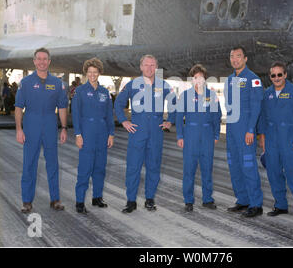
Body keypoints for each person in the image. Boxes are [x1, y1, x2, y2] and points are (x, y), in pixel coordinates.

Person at [114, 54, 175, 213]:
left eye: (152, 65)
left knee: (154, 167)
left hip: (156, 132)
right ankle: (131, 201)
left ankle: (149, 199)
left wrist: (170, 120)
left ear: (156, 67)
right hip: (137, 131)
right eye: (146, 65)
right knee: (133, 167)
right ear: (141, 67)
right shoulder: (132, 85)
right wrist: (124, 121)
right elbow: (118, 103)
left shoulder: (164, 85)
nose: (149, 68)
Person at [15, 48, 68, 213]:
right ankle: (26, 201)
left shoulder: (58, 83)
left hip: (50, 126)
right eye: (39, 59)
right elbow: (18, 107)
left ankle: (55, 199)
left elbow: (62, 107)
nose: (42, 62)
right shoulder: (26, 82)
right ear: (34, 61)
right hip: (31, 125)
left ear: (49, 61)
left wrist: (64, 128)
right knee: (29, 163)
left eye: (45, 59)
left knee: (52, 163)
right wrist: (19, 129)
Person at [258, 62, 293, 222]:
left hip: (289, 139)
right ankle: (280, 204)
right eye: (273, 75)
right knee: (274, 174)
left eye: (279, 74)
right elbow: (263, 118)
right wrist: (262, 138)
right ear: (270, 77)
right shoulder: (267, 94)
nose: (276, 78)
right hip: (272, 140)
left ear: (285, 75)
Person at [224, 46, 264, 217]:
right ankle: (242, 199)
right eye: (232, 56)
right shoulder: (229, 80)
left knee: (248, 165)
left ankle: (256, 204)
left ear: (245, 59)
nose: (235, 60)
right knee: (235, 166)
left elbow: (256, 107)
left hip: (245, 129)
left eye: (238, 56)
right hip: (232, 129)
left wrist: (250, 130)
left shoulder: (253, 79)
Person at [176, 64, 222, 212]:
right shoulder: (185, 96)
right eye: (195, 78)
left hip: (207, 136)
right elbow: (178, 117)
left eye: (201, 77)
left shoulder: (212, 96)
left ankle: (207, 199)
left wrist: (216, 134)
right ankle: (188, 200)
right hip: (190, 135)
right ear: (192, 80)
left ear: (205, 79)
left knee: (207, 169)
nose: (198, 80)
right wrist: (180, 136)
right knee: (189, 170)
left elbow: (217, 117)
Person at [72, 58, 115, 214]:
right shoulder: (80, 91)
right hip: (87, 133)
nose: (92, 74)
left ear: (99, 73)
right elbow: (76, 115)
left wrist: (111, 134)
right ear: (86, 73)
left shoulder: (105, 92)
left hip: (102, 133)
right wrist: (78, 134)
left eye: (95, 72)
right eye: (89, 72)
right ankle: (79, 201)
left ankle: (97, 197)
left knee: (100, 168)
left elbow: (109, 115)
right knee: (85, 168)